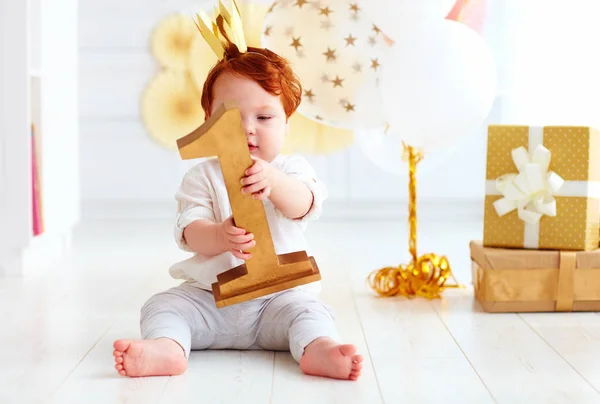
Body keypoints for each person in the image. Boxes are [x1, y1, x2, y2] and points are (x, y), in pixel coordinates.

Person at [112, 17, 363, 381]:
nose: (248, 128)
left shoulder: (290, 169)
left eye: (264, 117)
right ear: (208, 121)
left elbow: (305, 203)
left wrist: (274, 181)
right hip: (210, 301)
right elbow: (189, 231)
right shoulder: (202, 176)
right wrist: (219, 236)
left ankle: (319, 350)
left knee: (312, 312)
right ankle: (168, 348)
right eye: (231, 118)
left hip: (278, 302)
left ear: (287, 123)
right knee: (163, 305)